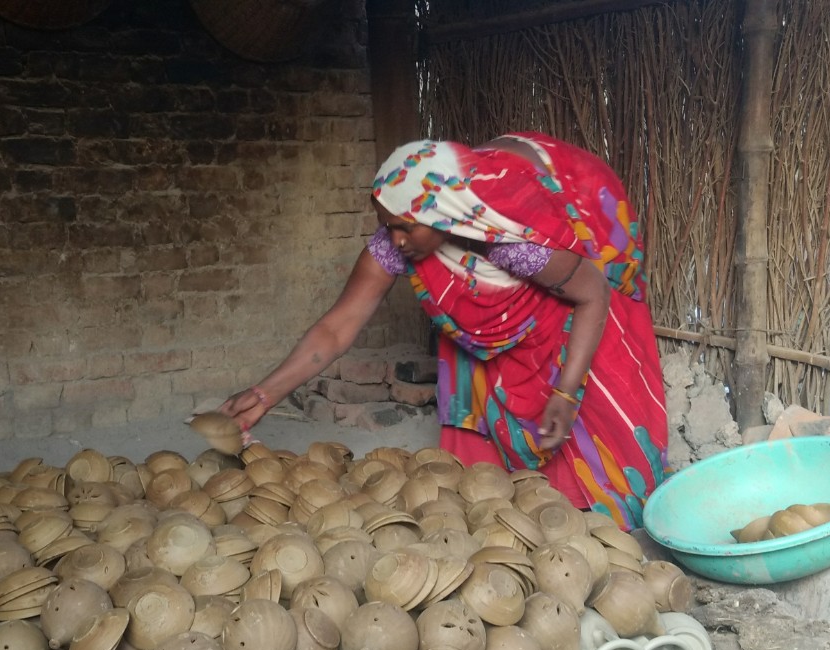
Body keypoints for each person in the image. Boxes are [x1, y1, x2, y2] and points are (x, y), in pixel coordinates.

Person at [221, 133, 667, 529]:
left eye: (402, 227)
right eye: (386, 225)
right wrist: (264, 395)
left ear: (443, 215)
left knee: (580, 362)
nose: (393, 239)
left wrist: (567, 394)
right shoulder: (404, 232)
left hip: (580, 219)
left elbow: (593, 296)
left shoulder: (512, 241)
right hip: (497, 241)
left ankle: (586, 491)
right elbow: (338, 328)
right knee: (472, 347)